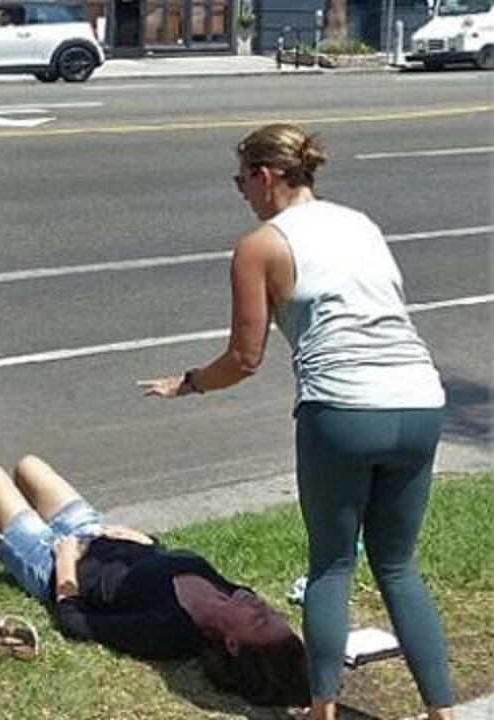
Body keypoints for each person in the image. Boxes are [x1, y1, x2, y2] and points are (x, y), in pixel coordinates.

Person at [139, 124, 453, 720]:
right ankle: (442, 711)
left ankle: (322, 709)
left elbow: (243, 360)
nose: (241, 194)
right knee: (397, 565)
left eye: (240, 182)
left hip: (341, 409)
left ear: (265, 176)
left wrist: (189, 383)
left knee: (332, 564)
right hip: (418, 401)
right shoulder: (360, 223)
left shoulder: (260, 245)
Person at [0, 455, 309, 707]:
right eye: (272, 612)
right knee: (29, 467)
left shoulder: (167, 631)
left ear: (233, 643)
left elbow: (75, 623)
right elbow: (168, 561)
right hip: (98, 533)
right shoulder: (236, 595)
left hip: (52, 559)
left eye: (259, 620)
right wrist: (145, 541)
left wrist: (65, 562)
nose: (260, 605)